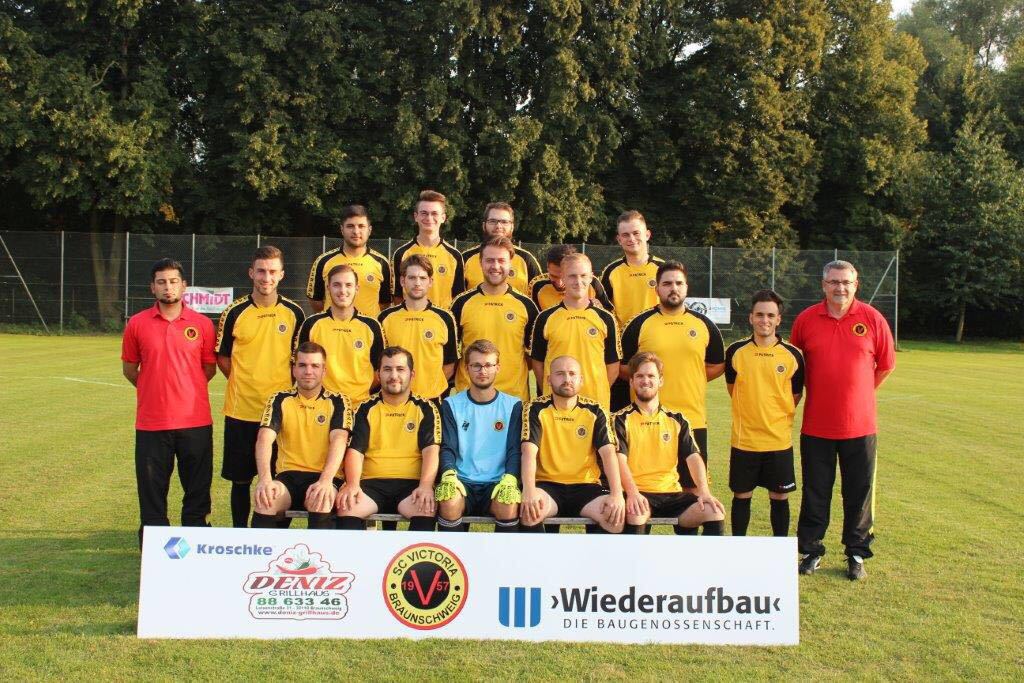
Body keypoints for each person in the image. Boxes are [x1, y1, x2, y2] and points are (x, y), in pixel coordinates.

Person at [791, 260, 895, 580]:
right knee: (815, 491)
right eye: (834, 282)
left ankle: (856, 554)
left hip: (860, 426)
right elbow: (794, 365)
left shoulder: (872, 318)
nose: (840, 288)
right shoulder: (806, 319)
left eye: (846, 282)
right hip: (816, 425)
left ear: (856, 285)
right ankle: (811, 551)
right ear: (824, 285)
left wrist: (859, 393)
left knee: (859, 493)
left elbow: (886, 365)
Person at [122, 258, 216, 545]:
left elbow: (208, 368)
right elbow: (130, 369)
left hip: (195, 421)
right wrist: (153, 388)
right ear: (152, 287)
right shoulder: (137, 323)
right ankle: (153, 545)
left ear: (184, 285)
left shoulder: (202, 324)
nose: (168, 287)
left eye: (173, 281)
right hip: (152, 423)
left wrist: (185, 388)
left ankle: (196, 540)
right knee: (152, 490)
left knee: (197, 489)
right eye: (161, 282)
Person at [216, 246, 305, 528]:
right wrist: (244, 382)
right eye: (261, 271)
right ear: (251, 273)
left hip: (281, 414)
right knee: (241, 480)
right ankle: (240, 534)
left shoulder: (294, 312)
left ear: (281, 275)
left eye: (272, 272)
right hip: (241, 410)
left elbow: (299, 360)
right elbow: (223, 357)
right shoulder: (235, 312)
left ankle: (274, 538)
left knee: (279, 480)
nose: (266, 277)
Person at [619, 260, 724, 479]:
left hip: (693, 419)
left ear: (686, 288)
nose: (673, 288)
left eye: (678, 283)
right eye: (667, 284)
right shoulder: (639, 324)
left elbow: (717, 365)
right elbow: (622, 367)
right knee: (646, 484)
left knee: (694, 488)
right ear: (656, 289)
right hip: (647, 419)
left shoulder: (704, 324)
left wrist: (691, 377)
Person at [614, 352, 725, 535]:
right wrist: (632, 493)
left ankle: (699, 556)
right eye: (640, 376)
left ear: (660, 381)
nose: (645, 381)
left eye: (651, 376)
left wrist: (704, 492)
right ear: (631, 381)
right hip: (638, 493)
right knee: (636, 514)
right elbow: (619, 460)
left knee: (714, 512)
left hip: (672, 494)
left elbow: (693, 457)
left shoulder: (677, 419)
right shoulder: (619, 420)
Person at [724, 290, 804, 537]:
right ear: (751, 317)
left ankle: (779, 551)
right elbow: (732, 388)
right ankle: (738, 548)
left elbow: (795, 395)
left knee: (779, 496)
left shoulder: (793, 355)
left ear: (779, 319)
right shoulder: (736, 351)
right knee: (741, 495)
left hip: (778, 442)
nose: (764, 320)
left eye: (770, 315)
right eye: (759, 315)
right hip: (745, 441)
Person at [334, 347, 441, 531]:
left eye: (400, 369)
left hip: (411, 484)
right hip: (371, 483)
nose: (394, 376)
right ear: (378, 374)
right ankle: (355, 552)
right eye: (387, 369)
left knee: (425, 508)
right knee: (347, 506)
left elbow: (431, 451)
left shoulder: (426, 408)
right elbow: (355, 452)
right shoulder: (365, 409)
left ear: (412, 374)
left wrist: (425, 486)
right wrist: (352, 485)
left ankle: (416, 552)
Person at [250, 342, 352, 530]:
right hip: (288, 478)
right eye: (302, 365)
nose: (308, 371)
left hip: (324, 477)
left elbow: (339, 440)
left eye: (315, 366)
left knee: (320, 500)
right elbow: (264, 438)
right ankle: (266, 550)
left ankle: (319, 551)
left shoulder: (338, 401)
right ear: (294, 369)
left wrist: (325, 481)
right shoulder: (280, 399)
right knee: (266, 501)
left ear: (324, 371)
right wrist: (265, 480)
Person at [519, 355, 624, 533]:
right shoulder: (535, 408)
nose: (567, 379)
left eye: (572, 374)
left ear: (581, 380)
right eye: (560, 374)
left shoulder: (595, 411)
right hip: (548, 485)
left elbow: (608, 454)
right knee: (530, 513)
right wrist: (529, 491)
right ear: (549, 380)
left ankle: (591, 553)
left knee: (614, 518)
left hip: (586, 486)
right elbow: (528, 453)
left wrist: (617, 494)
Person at [435, 340, 523, 533]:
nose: (483, 371)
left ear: (497, 368)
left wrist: (510, 478)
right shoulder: (451, 404)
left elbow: (515, 450)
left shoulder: (513, 405)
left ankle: (503, 554)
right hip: (462, 481)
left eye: (488, 365)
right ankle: (455, 553)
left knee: (508, 503)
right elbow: (448, 447)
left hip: (498, 482)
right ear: (466, 368)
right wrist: (448, 474)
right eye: (476, 365)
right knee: (449, 501)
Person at [450, 237, 539, 402]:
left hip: (513, 399)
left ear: (510, 263)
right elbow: (450, 355)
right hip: (469, 398)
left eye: (501, 260)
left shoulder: (526, 306)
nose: (495, 266)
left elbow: (534, 358)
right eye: (489, 260)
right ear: (480, 262)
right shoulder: (461, 303)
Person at [530, 253, 620, 409]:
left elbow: (613, 366)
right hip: (556, 405)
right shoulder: (545, 318)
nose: (578, 281)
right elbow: (538, 363)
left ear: (591, 277)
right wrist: (551, 389)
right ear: (563, 278)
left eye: (583, 275)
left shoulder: (606, 318)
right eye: (572, 276)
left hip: (595, 405)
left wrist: (598, 389)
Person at [599, 210, 664, 410]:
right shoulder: (611, 272)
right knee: (620, 411)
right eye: (625, 235)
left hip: (656, 346)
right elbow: (604, 311)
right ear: (619, 239)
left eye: (636, 233)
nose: (631, 239)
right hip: (623, 352)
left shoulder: (662, 269)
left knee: (655, 410)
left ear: (647, 234)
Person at [296, 264, 385, 404]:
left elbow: (379, 371)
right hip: (321, 406)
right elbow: (299, 365)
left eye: (348, 285)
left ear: (357, 288)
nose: (343, 291)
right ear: (328, 288)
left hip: (359, 406)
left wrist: (358, 392)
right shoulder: (311, 325)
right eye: (337, 285)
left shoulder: (372, 326)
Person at [379, 255, 459, 401]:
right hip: (396, 399)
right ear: (402, 281)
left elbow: (449, 365)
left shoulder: (445, 318)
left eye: (422, 278)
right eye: (411, 278)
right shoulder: (385, 318)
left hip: (432, 399)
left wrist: (430, 389)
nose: (417, 283)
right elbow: (379, 364)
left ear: (430, 281)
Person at [306, 204, 393, 317]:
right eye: (350, 226)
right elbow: (315, 301)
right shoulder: (324, 261)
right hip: (333, 327)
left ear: (369, 230)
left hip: (369, 327)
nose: (356, 231)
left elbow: (385, 303)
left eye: (361, 226)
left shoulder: (382, 263)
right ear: (342, 229)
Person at [391, 190, 465, 308]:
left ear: (443, 217)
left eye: (434, 213)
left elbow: (458, 296)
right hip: (410, 318)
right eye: (424, 213)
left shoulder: (455, 255)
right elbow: (398, 295)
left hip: (442, 318)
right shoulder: (401, 253)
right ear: (416, 216)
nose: (429, 218)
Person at [462, 202, 541, 295]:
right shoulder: (465, 259)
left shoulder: (527, 260)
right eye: (493, 221)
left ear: (512, 227)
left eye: (504, 222)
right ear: (484, 225)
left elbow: (538, 297)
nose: (498, 226)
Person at [528, 244, 612, 312]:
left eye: (564, 276)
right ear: (548, 268)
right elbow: (535, 319)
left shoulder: (591, 283)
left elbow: (609, 313)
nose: (559, 283)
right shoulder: (537, 286)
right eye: (554, 276)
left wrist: (600, 310)